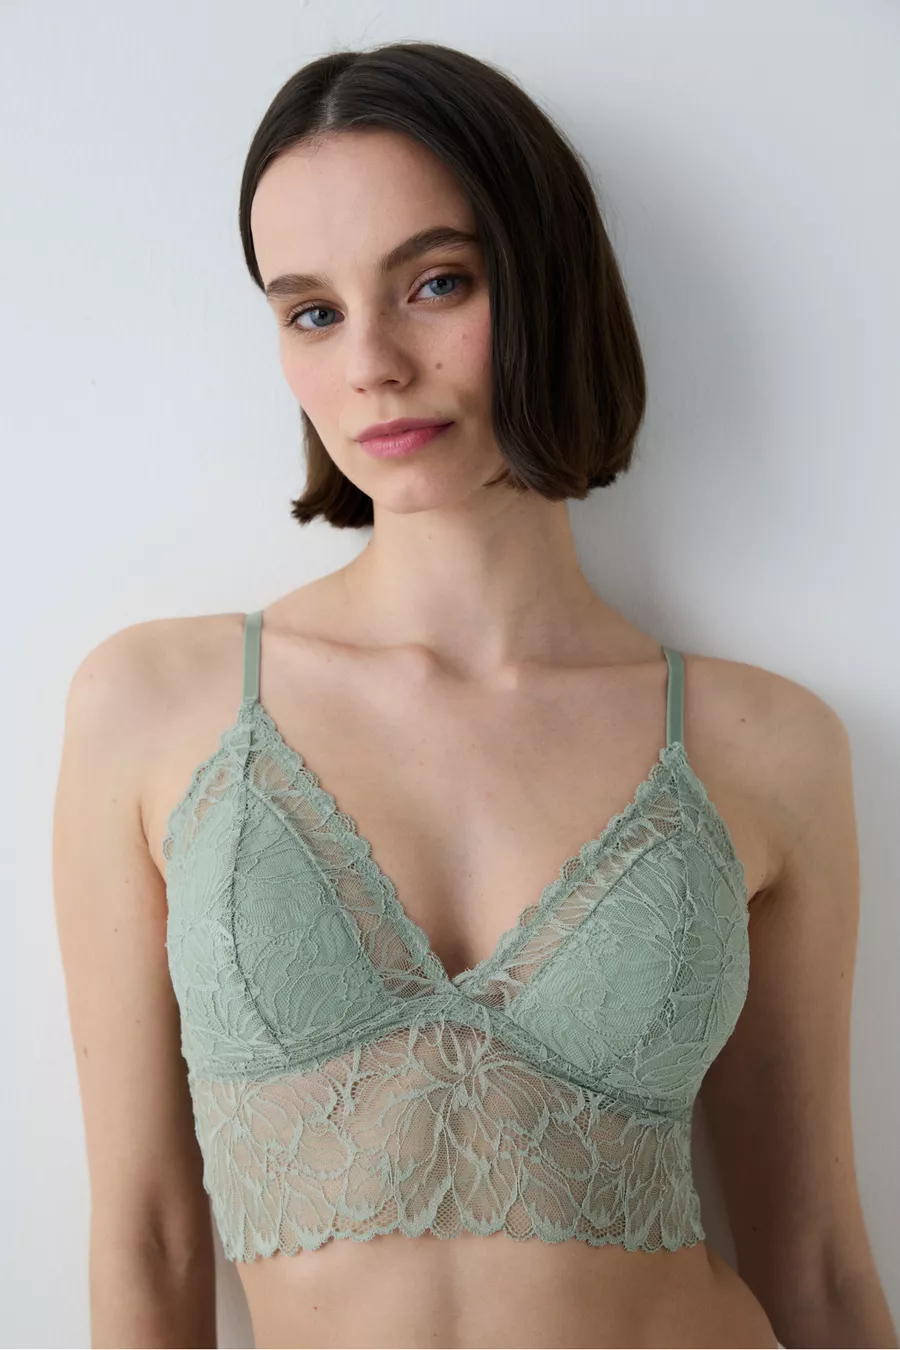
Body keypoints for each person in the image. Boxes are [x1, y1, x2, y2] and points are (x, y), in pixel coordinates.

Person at [52, 40, 896, 1350]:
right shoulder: (158, 707)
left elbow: (818, 1264)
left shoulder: (765, 743)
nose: (373, 363)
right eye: (312, 312)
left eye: (435, 282)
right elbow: (149, 1239)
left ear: (546, 281)